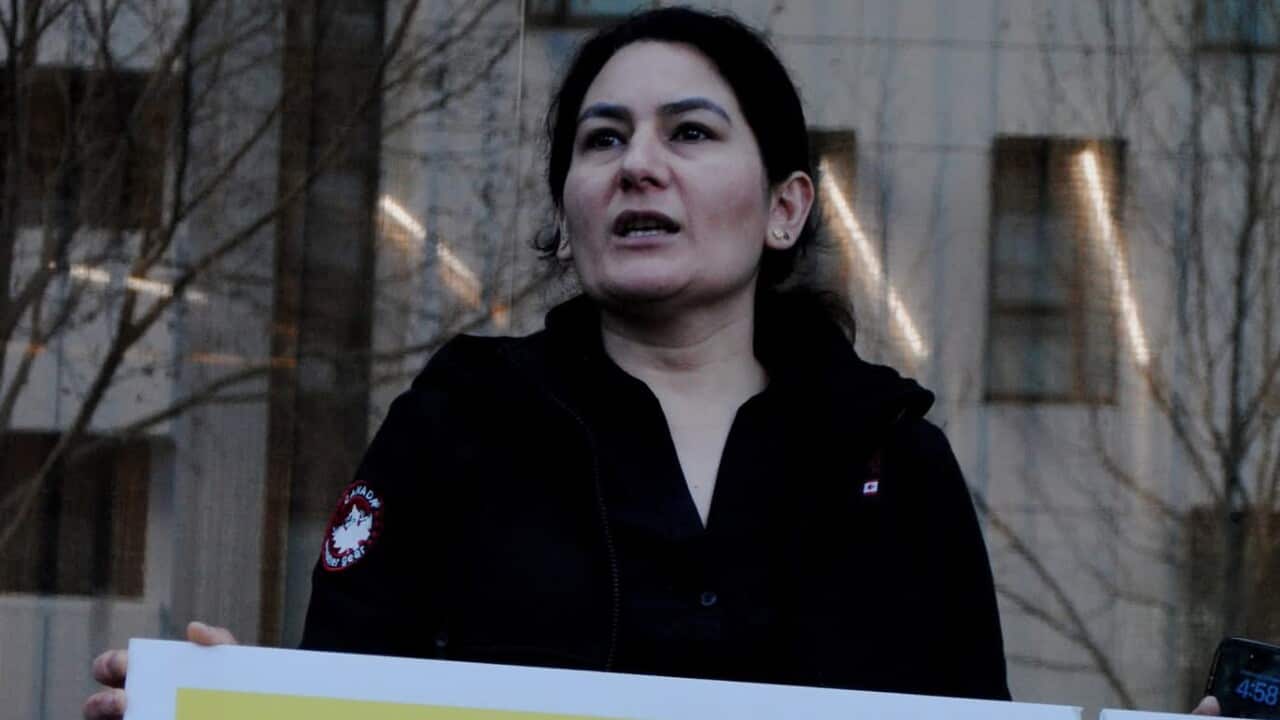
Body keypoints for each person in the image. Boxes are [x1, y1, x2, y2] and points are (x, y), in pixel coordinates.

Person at [83, 7, 1218, 718]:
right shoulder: (457, 424)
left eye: (688, 132)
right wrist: (233, 704)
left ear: (783, 210)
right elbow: (353, 691)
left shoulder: (894, 463)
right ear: (568, 207)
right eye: (601, 139)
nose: (637, 166)